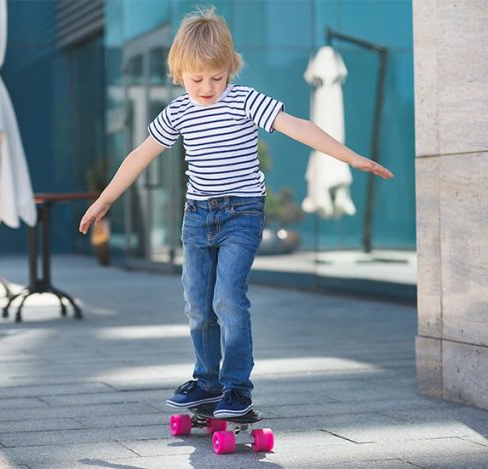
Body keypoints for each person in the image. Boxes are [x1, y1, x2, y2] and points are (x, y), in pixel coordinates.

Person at [79, 7, 394, 418]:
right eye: (197, 80)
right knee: (196, 303)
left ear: (230, 69)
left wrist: (351, 158)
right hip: (197, 218)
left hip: (242, 214)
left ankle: (236, 388)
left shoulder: (245, 101)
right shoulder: (178, 111)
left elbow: (297, 125)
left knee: (228, 298)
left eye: (217, 77)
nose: (208, 88)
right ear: (179, 73)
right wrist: (105, 198)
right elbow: (141, 154)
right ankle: (205, 382)